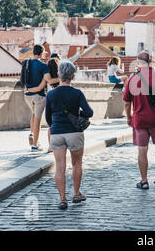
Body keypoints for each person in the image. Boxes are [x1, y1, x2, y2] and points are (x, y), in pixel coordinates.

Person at [45, 60, 94, 210]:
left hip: (57, 132)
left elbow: (48, 117)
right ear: (73, 76)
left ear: (59, 75)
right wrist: (78, 114)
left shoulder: (51, 94)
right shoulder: (77, 93)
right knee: (76, 164)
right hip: (74, 133)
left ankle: (62, 199)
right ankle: (77, 194)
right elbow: (89, 112)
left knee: (60, 167)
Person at [123, 51, 155, 190]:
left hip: (140, 119)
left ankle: (144, 181)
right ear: (150, 61)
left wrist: (129, 117)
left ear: (138, 63)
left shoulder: (132, 79)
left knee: (142, 150)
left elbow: (127, 103)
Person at [23, 44, 60, 151]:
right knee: (38, 120)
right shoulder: (43, 66)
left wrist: (28, 89)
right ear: (41, 52)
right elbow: (49, 81)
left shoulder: (26, 63)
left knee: (33, 115)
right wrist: (62, 78)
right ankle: (35, 145)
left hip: (27, 96)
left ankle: (31, 133)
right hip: (38, 96)